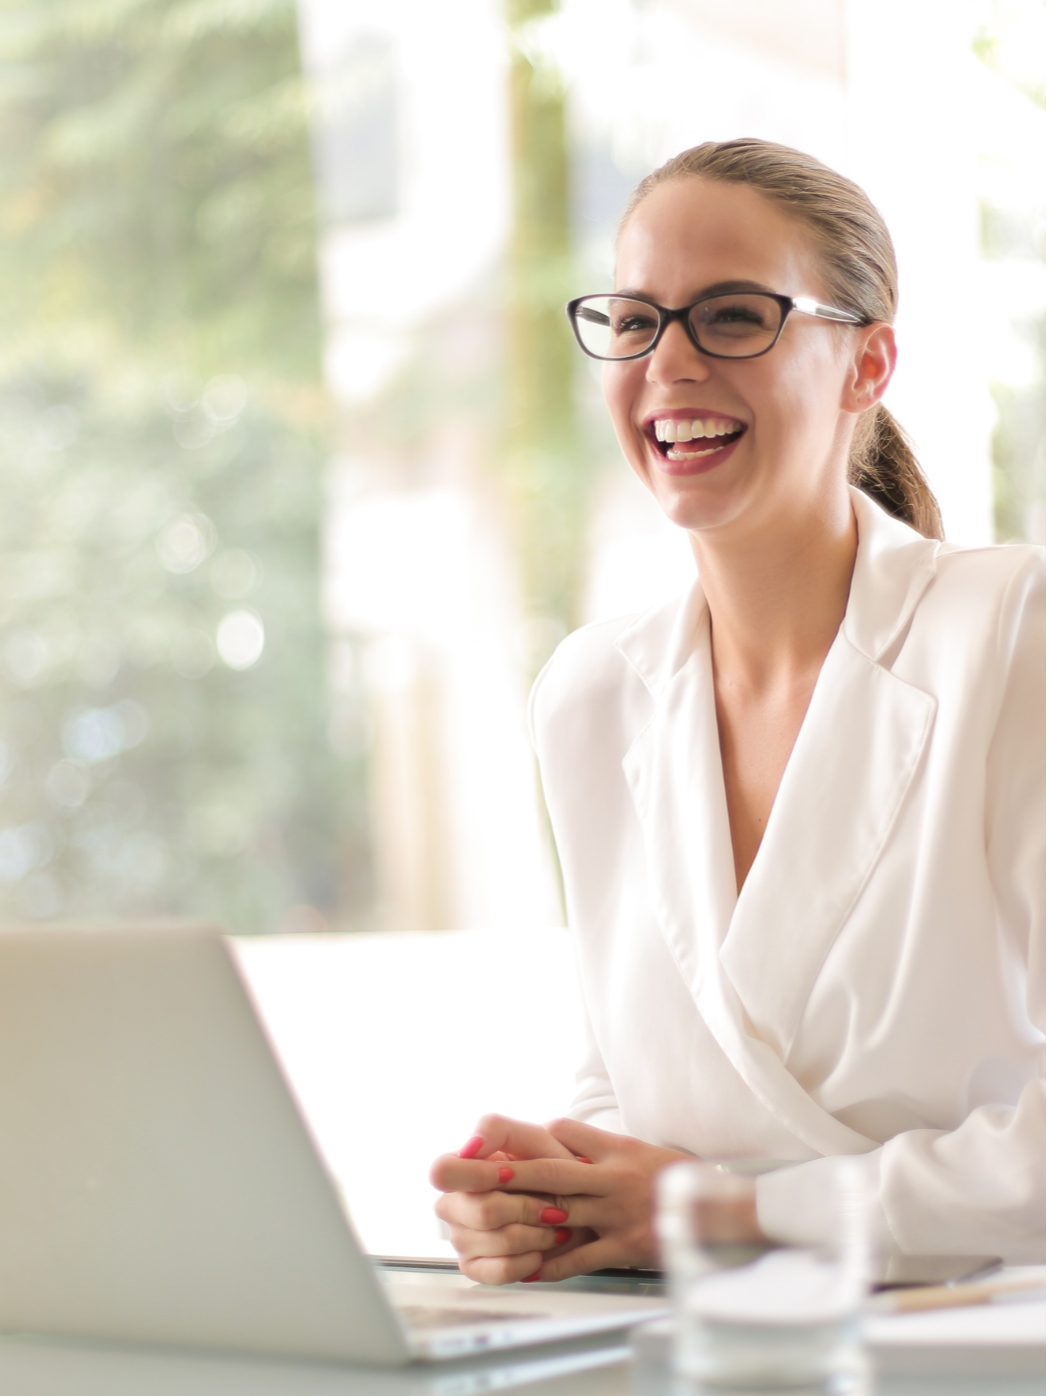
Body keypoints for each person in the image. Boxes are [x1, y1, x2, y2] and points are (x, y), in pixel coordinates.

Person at [429, 139, 1045, 1284]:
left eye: (731, 316)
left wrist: (726, 1211)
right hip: (697, 1340)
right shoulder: (590, 694)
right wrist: (547, 1201)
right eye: (634, 320)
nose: (667, 363)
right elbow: (632, 1078)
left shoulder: (1009, 634)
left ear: (869, 364)